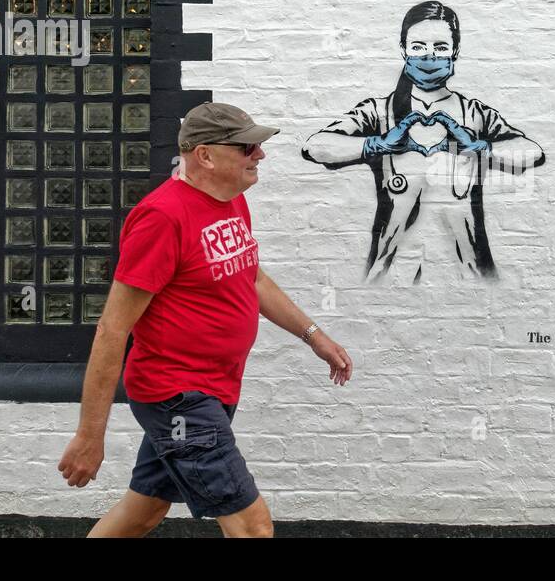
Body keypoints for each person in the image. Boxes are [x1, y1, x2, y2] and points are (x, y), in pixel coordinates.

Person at [58, 102, 354, 537]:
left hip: (214, 389)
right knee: (253, 526)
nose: (260, 155)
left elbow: (249, 275)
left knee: (143, 511)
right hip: (178, 397)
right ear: (206, 155)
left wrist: (313, 335)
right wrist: (89, 435)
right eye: (247, 147)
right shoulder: (162, 218)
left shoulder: (229, 202)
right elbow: (113, 329)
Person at [303, 1, 544, 284]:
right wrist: (376, 145)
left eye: (440, 47)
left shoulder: (475, 115)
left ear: (455, 50)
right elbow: (315, 146)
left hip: (470, 277)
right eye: (418, 47)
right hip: (390, 276)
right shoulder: (380, 112)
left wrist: (483, 148)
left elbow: (532, 152)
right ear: (403, 49)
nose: (429, 56)